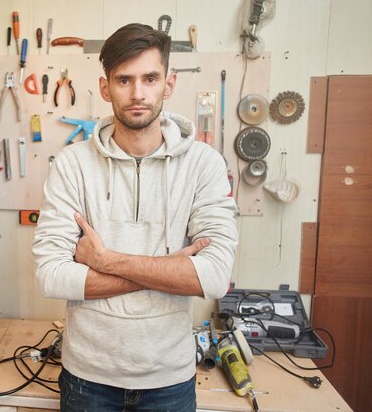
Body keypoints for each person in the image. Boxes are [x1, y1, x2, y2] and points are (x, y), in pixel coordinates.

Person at [32, 23, 238, 412]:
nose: (138, 93)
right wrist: (170, 270)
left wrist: (107, 261)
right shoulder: (72, 165)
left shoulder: (204, 165)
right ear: (105, 87)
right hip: (87, 378)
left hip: (170, 379)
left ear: (170, 83)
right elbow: (51, 276)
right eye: (124, 80)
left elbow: (213, 277)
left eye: (150, 78)